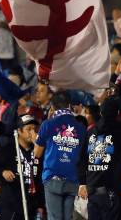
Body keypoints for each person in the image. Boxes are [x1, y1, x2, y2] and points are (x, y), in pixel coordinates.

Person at [78, 96, 121, 220]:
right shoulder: (120, 131)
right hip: (110, 189)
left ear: (100, 112)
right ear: (118, 113)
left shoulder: (90, 132)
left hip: (91, 187)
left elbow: (81, 159)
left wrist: (82, 183)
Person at [34, 91, 86, 220]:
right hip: (73, 178)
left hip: (52, 178)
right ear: (69, 105)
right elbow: (83, 155)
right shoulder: (80, 128)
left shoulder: (48, 124)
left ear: (52, 107)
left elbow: (37, 153)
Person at [0, 114, 44, 220]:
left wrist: (41, 205)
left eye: (35, 129)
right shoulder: (8, 150)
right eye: (29, 129)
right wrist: (3, 173)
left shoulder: (40, 151)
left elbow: (41, 179)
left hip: (33, 203)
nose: (33, 133)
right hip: (12, 204)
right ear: (19, 131)